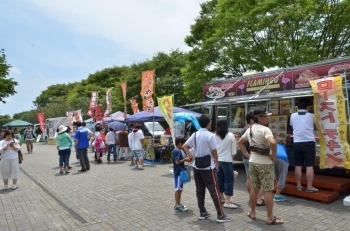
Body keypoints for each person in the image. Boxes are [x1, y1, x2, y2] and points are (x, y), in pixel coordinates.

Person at [182, 115, 232, 223]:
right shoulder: (210, 136)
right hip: (208, 167)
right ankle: (220, 215)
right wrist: (217, 163)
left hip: (196, 166)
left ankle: (202, 212)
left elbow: (185, 146)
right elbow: (214, 151)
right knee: (214, 191)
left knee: (200, 191)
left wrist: (190, 156)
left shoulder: (194, 134)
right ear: (208, 123)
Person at [237, 109, 283, 225]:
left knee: (254, 188)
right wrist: (273, 155)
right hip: (265, 163)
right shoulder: (265, 130)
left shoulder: (250, 129)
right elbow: (272, 143)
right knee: (268, 190)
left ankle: (252, 213)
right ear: (259, 118)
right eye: (265, 117)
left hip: (253, 162)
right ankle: (269, 217)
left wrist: (246, 154)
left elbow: (240, 142)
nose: (267, 119)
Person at [290, 98, 317, 192]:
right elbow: (315, 126)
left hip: (297, 142)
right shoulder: (312, 116)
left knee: (298, 165)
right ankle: (309, 187)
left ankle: (299, 186)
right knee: (309, 166)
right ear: (307, 107)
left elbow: (293, 126)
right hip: (309, 142)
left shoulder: (292, 115)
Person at [240, 113, 265, 206]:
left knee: (249, 178)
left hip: (246, 158)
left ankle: (252, 198)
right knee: (259, 180)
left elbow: (240, 143)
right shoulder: (256, 130)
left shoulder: (243, 130)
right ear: (251, 120)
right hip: (255, 157)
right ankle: (258, 200)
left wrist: (246, 154)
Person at [215, 120, 238, 209]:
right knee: (229, 181)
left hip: (217, 160)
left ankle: (221, 198)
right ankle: (227, 201)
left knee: (219, 179)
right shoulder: (231, 136)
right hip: (227, 160)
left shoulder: (214, 136)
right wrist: (230, 159)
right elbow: (233, 151)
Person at [172, 137, 191, 212]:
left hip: (179, 172)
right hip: (178, 172)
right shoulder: (177, 151)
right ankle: (177, 205)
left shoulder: (178, 150)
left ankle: (177, 203)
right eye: (183, 144)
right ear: (180, 143)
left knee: (178, 189)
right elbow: (177, 162)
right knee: (178, 189)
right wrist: (185, 159)